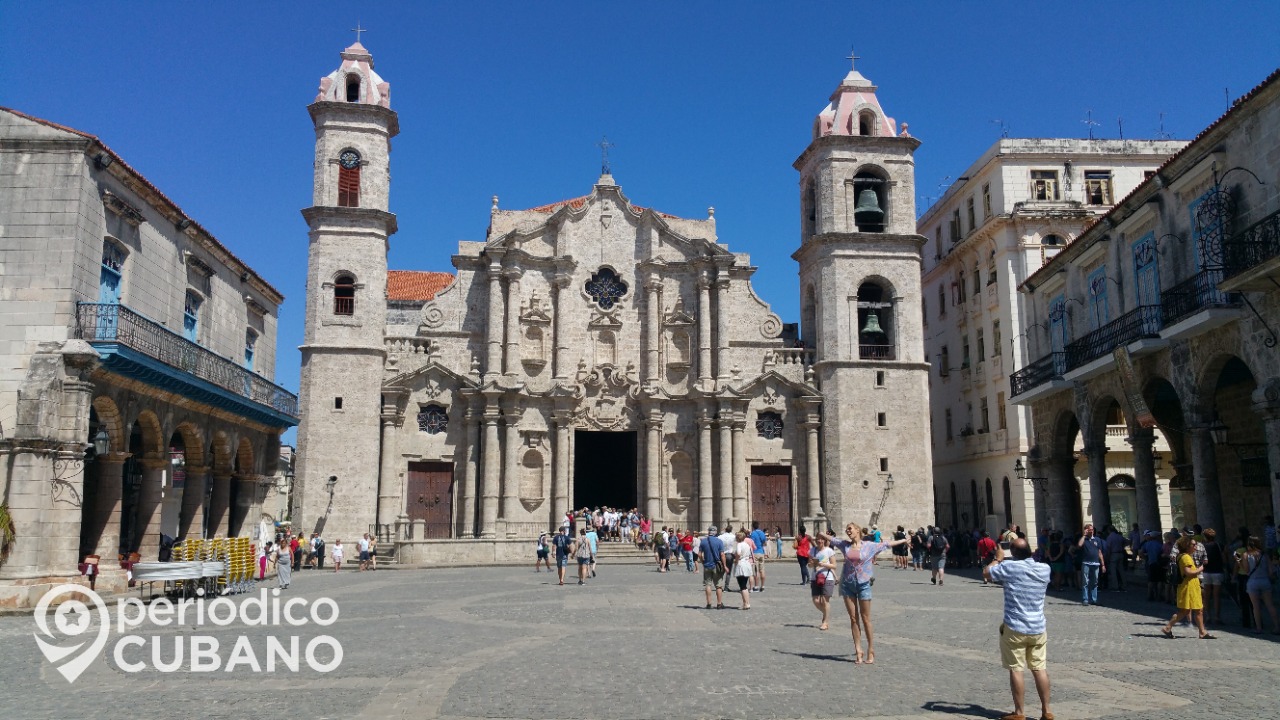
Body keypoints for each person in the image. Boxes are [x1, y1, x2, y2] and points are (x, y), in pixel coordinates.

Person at [983, 538, 1053, 720]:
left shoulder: (1010, 568)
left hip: (1015, 626)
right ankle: (1047, 711)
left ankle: (1019, 713)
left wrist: (998, 558)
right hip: (1038, 627)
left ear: (1012, 553)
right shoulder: (1045, 569)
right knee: (1040, 669)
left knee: (1016, 669)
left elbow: (986, 573)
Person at [825, 522, 907, 664]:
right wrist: (818, 533)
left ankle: (870, 648)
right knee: (853, 618)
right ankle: (858, 649)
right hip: (847, 584)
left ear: (857, 530)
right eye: (846, 529)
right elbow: (830, 539)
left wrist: (905, 540)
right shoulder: (845, 545)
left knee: (866, 618)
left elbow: (887, 544)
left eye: (850, 529)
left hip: (863, 584)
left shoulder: (870, 546)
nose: (847, 531)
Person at [1160, 536, 1214, 639]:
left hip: (1190, 586)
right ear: (1187, 546)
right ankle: (1201, 632)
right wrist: (1201, 568)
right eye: (1193, 545)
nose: (1195, 547)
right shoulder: (1186, 557)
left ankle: (1201, 631)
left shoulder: (1184, 556)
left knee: (1189, 611)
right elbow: (1189, 573)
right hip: (1189, 587)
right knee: (1194, 610)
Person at [1241, 538, 1279, 634]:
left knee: (1256, 607)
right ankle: (1277, 626)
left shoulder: (1246, 555)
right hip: (1265, 581)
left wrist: (1239, 562)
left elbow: (1246, 570)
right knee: (1270, 605)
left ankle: (1258, 628)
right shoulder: (1264, 555)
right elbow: (1271, 571)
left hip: (1253, 582)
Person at [809, 534, 837, 630]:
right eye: (817, 539)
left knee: (825, 600)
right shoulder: (812, 550)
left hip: (827, 577)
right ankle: (826, 613)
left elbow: (834, 566)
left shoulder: (829, 551)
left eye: (821, 539)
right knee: (816, 600)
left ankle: (825, 622)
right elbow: (809, 565)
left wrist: (823, 564)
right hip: (815, 577)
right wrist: (812, 564)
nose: (819, 541)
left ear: (824, 541)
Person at [1199, 528, 1226, 623]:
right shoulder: (1219, 545)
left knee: (1206, 595)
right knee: (1216, 596)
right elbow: (1224, 558)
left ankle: (1208, 616)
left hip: (1206, 572)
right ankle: (1217, 616)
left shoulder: (1202, 546)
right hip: (1217, 571)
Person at [1076, 524, 1105, 606]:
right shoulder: (1084, 539)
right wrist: (1084, 535)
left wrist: (1103, 564)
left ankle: (1094, 599)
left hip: (1096, 563)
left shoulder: (1097, 539)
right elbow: (1079, 545)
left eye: (1092, 529)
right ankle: (1085, 599)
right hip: (1086, 563)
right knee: (1085, 582)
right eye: (1089, 529)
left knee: (1095, 582)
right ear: (1086, 530)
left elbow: (1100, 552)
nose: (1091, 531)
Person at [699, 526, 726, 609]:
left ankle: (709, 603)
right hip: (716, 566)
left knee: (708, 585)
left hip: (707, 565)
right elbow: (722, 555)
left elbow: (699, 554)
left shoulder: (703, 541)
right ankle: (719, 603)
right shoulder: (719, 541)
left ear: (708, 532)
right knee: (718, 585)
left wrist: (703, 561)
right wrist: (724, 565)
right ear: (715, 532)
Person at [732, 531, 754, 609]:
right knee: (745, 585)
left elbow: (738, 553)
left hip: (741, 564)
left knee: (742, 586)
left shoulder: (739, 545)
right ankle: (746, 602)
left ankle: (746, 603)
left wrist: (736, 560)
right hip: (747, 563)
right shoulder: (747, 545)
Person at [1104, 525, 1127, 591]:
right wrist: (1122, 547)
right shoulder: (1119, 536)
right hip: (1120, 553)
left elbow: (1108, 548)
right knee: (1121, 570)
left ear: (1109, 530)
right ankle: (1124, 585)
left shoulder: (1110, 537)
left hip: (1113, 554)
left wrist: (1107, 556)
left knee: (1113, 571)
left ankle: (1115, 586)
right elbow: (1127, 541)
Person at [750, 521, 768, 592]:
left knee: (756, 570)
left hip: (755, 553)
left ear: (753, 526)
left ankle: (756, 586)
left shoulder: (753, 533)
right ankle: (763, 586)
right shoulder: (762, 533)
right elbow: (765, 543)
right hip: (761, 552)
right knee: (762, 570)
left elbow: (752, 543)